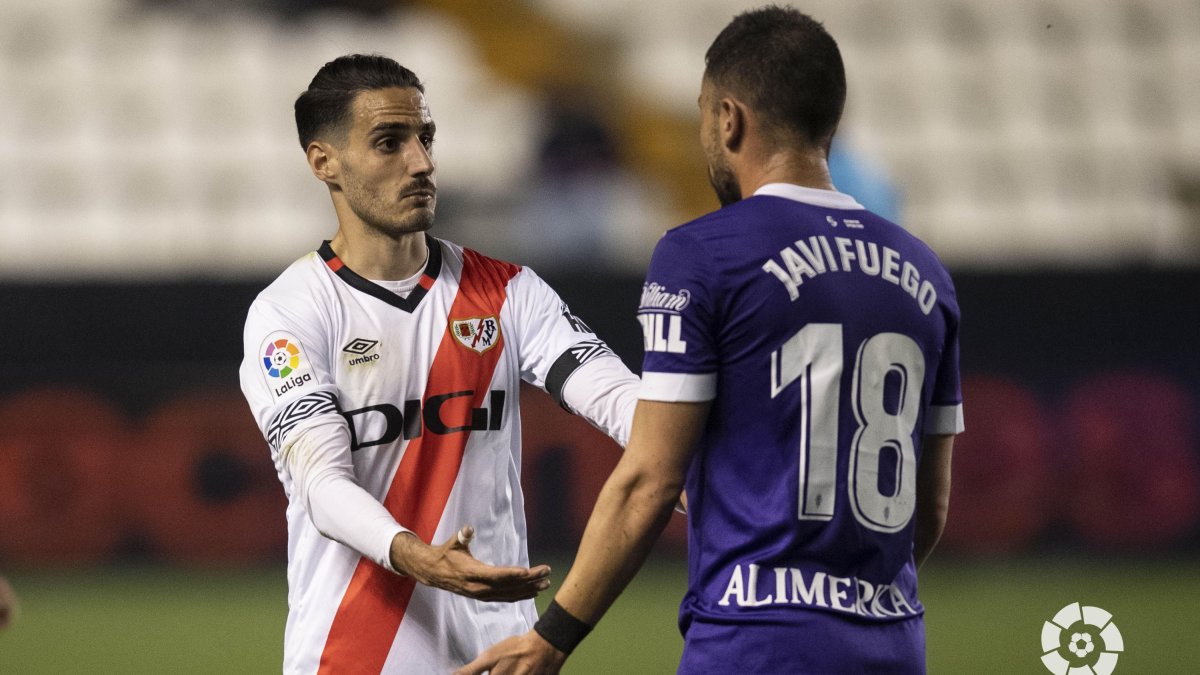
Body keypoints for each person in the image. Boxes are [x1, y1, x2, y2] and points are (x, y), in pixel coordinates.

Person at [460, 6, 963, 674]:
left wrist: (552, 636)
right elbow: (927, 508)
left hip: (752, 643)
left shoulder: (703, 255)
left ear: (729, 118)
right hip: (892, 643)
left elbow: (649, 478)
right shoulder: (926, 272)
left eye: (703, 115)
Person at [238, 54, 640, 674]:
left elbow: (618, 399)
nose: (422, 162)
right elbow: (322, 484)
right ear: (324, 162)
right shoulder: (290, 314)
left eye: (425, 138)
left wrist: (678, 454)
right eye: (389, 143)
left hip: (502, 657)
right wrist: (417, 556)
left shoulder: (509, 292)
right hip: (352, 657)